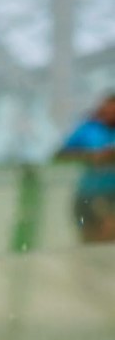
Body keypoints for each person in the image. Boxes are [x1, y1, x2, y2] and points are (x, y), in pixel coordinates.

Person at [58, 93, 115, 244]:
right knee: (89, 240)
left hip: (111, 194)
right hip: (88, 192)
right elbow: (60, 155)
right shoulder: (88, 129)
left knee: (108, 238)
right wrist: (90, 156)